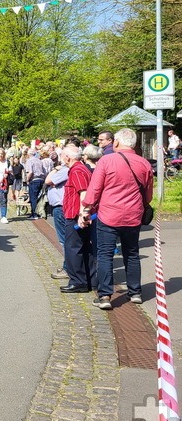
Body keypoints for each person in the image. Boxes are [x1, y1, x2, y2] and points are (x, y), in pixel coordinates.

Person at [80, 128, 154, 310]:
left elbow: (95, 189)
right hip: (133, 216)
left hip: (108, 215)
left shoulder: (106, 160)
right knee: (132, 253)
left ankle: (105, 295)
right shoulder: (144, 164)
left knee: (105, 255)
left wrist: (86, 208)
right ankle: (135, 292)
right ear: (134, 144)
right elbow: (149, 196)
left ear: (117, 142)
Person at [59, 145, 96, 294]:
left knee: (73, 249)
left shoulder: (77, 170)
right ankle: (90, 280)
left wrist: (82, 214)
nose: (62, 159)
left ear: (68, 157)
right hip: (79, 214)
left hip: (75, 216)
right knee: (85, 249)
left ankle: (78, 281)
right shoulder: (82, 168)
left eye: (63, 156)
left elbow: (84, 193)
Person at [45, 161, 69, 280]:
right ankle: (68, 266)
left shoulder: (64, 170)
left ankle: (68, 268)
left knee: (65, 240)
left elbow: (48, 180)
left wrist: (55, 169)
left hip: (61, 207)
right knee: (66, 240)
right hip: (60, 207)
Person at [24, 149, 47, 220]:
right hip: (41, 180)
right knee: (38, 197)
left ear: (29, 154)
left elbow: (30, 172)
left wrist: (27, 180)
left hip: (34, 180)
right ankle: (37, 212)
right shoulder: (39, 161)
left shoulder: (29, 161)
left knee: (33, 198)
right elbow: (44, 171)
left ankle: (34, 214)